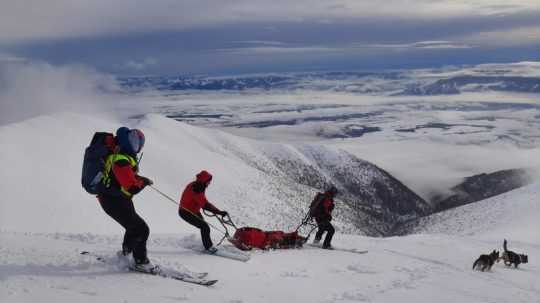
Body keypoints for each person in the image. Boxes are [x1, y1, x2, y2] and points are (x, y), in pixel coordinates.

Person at [97, 127, 154, 271]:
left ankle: (126, 255)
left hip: (118, 200)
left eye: (138, 142)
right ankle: (141, 262)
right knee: (142, 229)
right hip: (114, 201)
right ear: (125, 140)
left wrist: (139, 179)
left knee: (133, 227)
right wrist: (144, 182)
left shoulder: (121, 157)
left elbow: (123, 178)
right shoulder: (120, 159)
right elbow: (132, 187)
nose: (136, 145)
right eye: (134, 141)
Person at [179, 170, 228, 254]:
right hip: (186, 212)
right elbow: (205, 205)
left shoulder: (197, 185)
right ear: (204, 181)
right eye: (209, 181)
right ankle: (209, 247)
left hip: (193, 211)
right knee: (205, 227)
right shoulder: (197, 189)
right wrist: (219, 212)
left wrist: (217, 211)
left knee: (204, 227)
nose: (209, 183)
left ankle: (207, 245)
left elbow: (203, 202)